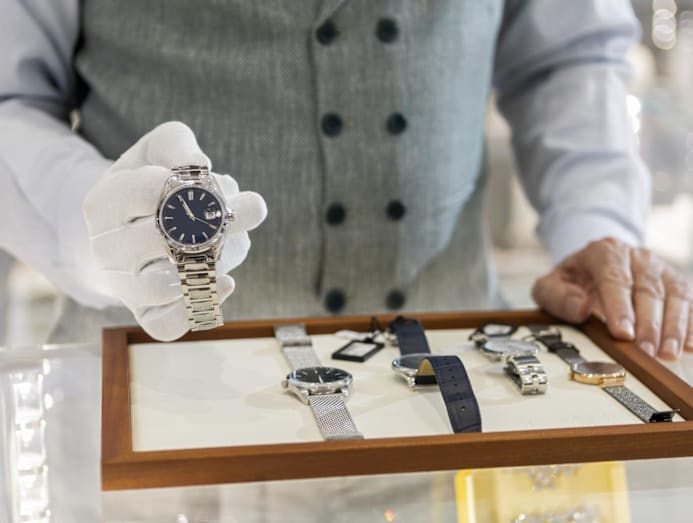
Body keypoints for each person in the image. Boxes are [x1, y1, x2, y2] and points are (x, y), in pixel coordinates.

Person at [2, 2, 691, 521]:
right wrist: (93, 228)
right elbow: (11, 99)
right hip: (154, 434)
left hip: (454, 425)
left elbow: (566, 56)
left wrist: (596, 221)